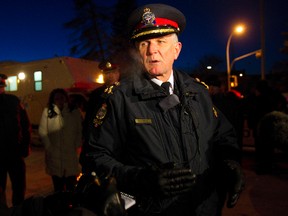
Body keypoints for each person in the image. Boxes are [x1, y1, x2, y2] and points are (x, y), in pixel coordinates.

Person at [82, 3, 245, 216]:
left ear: (176, 50)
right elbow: (95, 157)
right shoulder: (119, 99)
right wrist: (142, 179)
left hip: (203, 208)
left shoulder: (198, 93)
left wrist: (230, 164)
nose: (152, 50)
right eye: (144, 43)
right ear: (137, 51)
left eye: (161, 41)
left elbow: (223, 137)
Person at [80, 58, 120, 173]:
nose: (110, 76)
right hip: (97, 141)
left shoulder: (124, 92)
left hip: (116, 146)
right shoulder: (96, 94)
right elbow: (89, 120)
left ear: (118, 73)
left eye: (112, 72)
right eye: (106, 73)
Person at [38, 88, 82, 193]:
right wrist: (49, 147)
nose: (59, 100)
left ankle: (71, 207)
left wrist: (77, 145)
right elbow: (43, 132)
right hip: (54, 156)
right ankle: (59, 207)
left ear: (66, 98)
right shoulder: (48, 113)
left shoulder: (73, 112)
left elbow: (79, 130)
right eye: (56, 98)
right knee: (58, 188)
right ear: (52, 100)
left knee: (71, 187)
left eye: (61, 98)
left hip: (70, 154)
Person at [0, 74, 31, 208]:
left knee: (19, 187)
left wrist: (24, 146)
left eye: (1, 85)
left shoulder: (14, 101)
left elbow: (25, 124)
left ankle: (18, 210)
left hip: (15, 152)